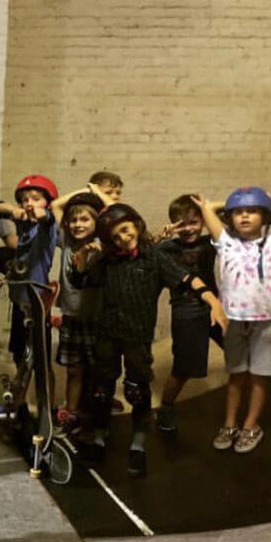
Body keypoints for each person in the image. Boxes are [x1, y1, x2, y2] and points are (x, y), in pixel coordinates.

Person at [154, 194, 271, 433]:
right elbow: (148, 251)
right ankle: (166, 407)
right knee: (184, 368)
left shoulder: (211, 242)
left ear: (202, 222)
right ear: (173, 224)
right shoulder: (166, 248)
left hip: (219, 309)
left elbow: (232, 220)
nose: (188, 228)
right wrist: (162, 234)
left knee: (255, 345)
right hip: (187, 312)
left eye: (193, 222)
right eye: (182, 223)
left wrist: (213, 208)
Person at [71, 203, 226, 477]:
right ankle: (99, 435)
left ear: (136, 226)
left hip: (138, 337)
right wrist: (83, 254)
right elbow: (81, 279)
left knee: (137, 390)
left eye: (125, 230)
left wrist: (212, 299)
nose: (122, 238)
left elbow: (187, 279)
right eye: (115, 236)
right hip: (107, 334)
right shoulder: (107, 261)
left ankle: (138, 441)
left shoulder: (154, 257)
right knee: (102, 389)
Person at [198, 188, 271, 453]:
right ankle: (230, 423)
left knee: (260, 376)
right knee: (236, 376)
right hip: (234, 321)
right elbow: (207, 207)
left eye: (252, 211)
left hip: (265, 322)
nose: (244, 216)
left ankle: (250, 425)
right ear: (229, 218)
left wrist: (270, 206)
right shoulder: (225, 242)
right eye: (238, 212)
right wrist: (234, 203)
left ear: (265, 216)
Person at [48, 188, 106, 436]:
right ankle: (71, 412)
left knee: (97, 370)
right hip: (72, 315)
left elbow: (112, 212)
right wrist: (85, 190)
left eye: (84, 219)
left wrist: (99, 195)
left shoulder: (104, 244)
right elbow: (55, 206)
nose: (77, 224)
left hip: (96, 316)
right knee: (74, 369)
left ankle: (92, 414)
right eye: (74, 220)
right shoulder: (67, 241)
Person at [0, 174, 60, 373]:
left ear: (48, 202)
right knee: (19, 355)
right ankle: (20, 403)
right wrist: (16, 210)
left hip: (38, 302)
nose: (29, 203)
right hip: (18, 300)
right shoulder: (24, 224)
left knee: (41, 360)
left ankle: (46, 404)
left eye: (36, 198)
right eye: (25, 199)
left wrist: (43, 213)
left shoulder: (46, 227)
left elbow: (49, 218)